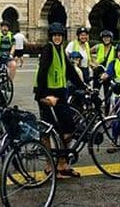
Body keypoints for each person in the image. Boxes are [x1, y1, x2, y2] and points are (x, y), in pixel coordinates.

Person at [34, 22, 84, 178]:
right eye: (55, 35)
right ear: (51, 36)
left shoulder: (60, 50)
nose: (57, 37)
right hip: (48, 95)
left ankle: (62, 163)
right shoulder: (48, 49)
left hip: (60, 93)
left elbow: (70, 71)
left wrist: (84, 86)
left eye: (60, 35)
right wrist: (43, 96)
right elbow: (42, 72)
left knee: (67, 128)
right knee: (47, 130)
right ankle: (50, 166)